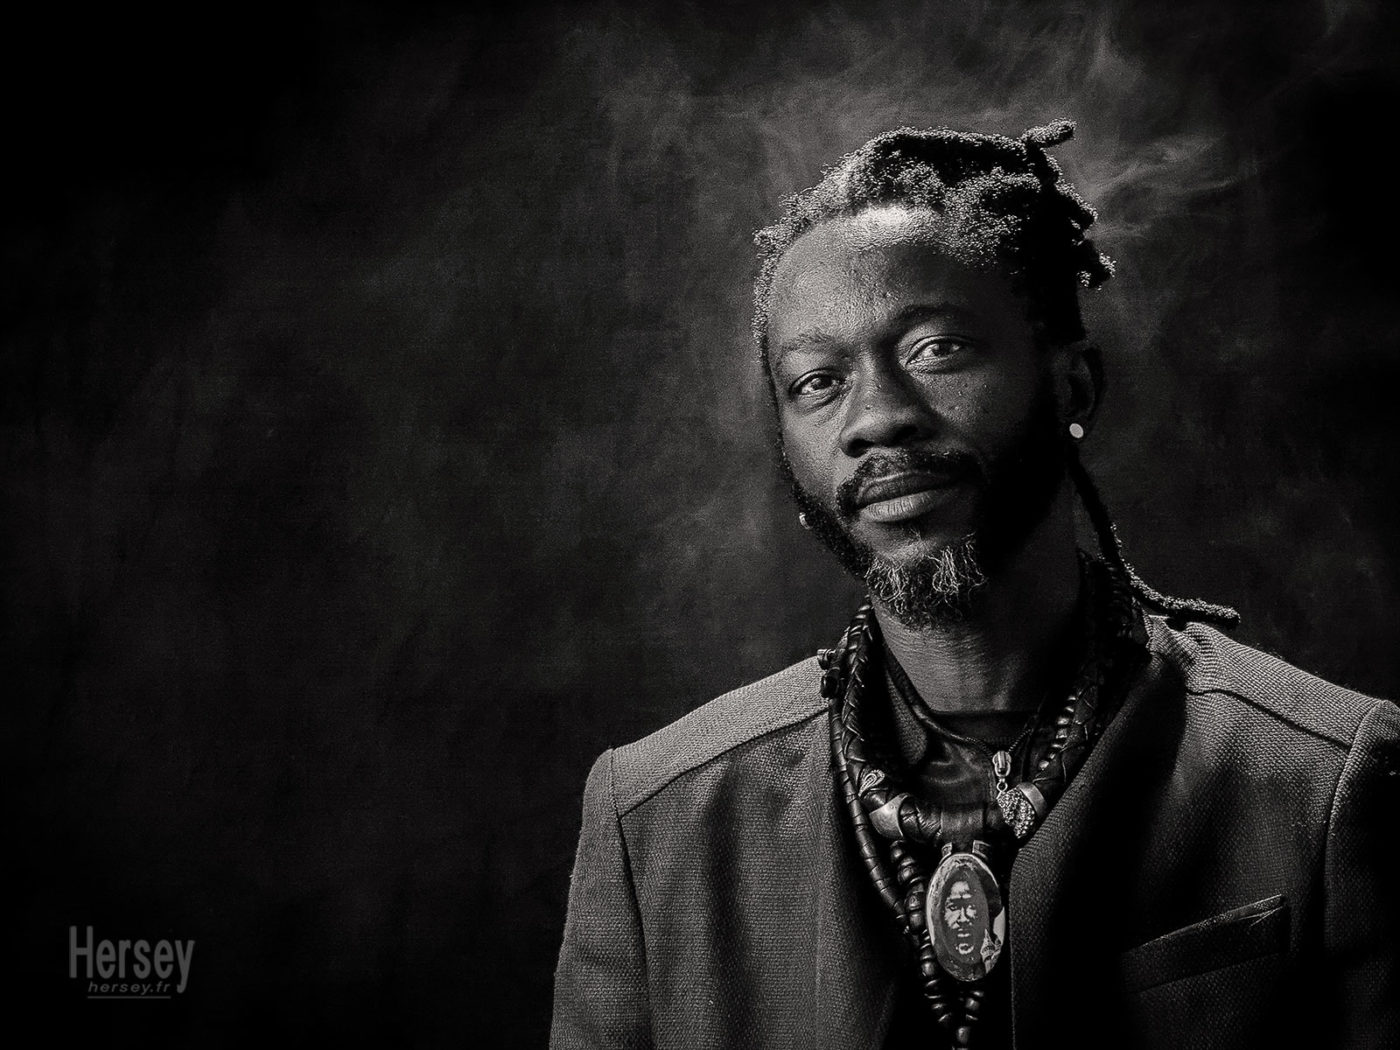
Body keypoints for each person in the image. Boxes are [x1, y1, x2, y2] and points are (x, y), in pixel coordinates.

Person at [549, 121, 1399, 1049]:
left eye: (937, 349)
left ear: (1072, 389)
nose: (876, 418)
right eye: (818, 381)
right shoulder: (658, 819)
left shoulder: (1325, 782)